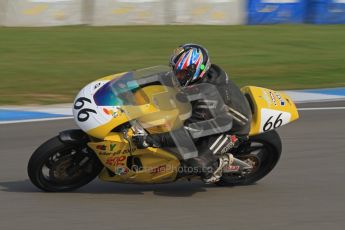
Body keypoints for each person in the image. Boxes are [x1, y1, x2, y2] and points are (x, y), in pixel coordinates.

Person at [133, 43, 252, 183]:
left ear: (195, 71)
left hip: (231, 130)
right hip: (211, 115)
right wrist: (131, 84)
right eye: (175, 70)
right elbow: (161, 77)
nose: (177, 76)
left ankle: (217, 165)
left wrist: (151, 140)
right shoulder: (199, 76)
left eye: (182, 73)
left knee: (194, 165)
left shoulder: (208, 101)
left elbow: (187, 134)